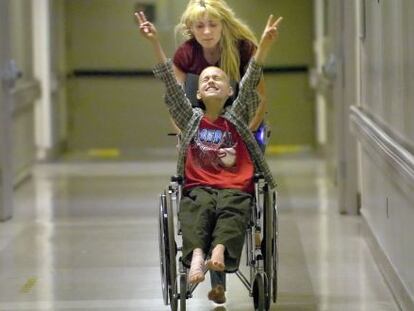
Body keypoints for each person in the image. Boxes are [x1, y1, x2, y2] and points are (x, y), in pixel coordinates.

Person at [136, 9, 281, 296]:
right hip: (199, 187)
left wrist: (264, 47)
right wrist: (153, 43)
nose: (211, 81)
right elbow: (169, 84)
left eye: (218, 78)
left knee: (234, 211)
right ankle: (198, 257)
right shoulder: (190, 119)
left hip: (233, 188)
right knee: (193, 211)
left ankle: (218, 251)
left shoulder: (237, 117)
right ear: (198, 94)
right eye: (205, 80)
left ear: (230, 91)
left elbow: (251, 81)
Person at [172, 0, 269, 302]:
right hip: (203, 123)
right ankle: (216, 278)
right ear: (191, 29)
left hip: (243, 120)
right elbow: (177, 100)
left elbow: (260, 98)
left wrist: (241, 132)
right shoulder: (187, 53)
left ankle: (243, 224)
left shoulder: (243, 49)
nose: (206, 31)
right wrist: (186, 133)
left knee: (234, 186)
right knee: (204, 196)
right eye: (199, 26)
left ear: (223, 24)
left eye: (212, 24)